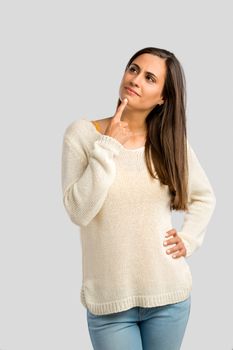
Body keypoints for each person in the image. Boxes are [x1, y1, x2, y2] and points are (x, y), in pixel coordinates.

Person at [61, 47, 216, 350]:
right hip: (109, 305)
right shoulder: (82, 135)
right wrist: (108, 146)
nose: (135, 79)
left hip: (169, 298)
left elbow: (204, 197)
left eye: (149, 78)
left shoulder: (169, 143)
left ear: (163, 98)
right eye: (133, 69)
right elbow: (79, 211)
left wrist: (189, 237)